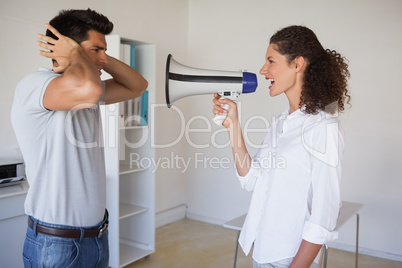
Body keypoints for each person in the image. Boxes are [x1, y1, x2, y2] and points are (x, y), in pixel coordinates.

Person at [11, 9, 148, 267]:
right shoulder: (37, 84)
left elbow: (137, 86)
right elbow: (89, 88)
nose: (102, 59)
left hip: (96, 237)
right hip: (57, 244)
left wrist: (96, 58)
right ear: (64, 46)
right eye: (96, 50)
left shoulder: (87, 92)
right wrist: (73, 53)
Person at [213, 25, 350, 268]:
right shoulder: (280, 122)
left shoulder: (323, 127)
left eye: (271, 61)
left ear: (297, 64)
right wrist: (233, 124)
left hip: (290, 257)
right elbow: (252, 180)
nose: (263, 70)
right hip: (262, 250)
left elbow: (324, 216)